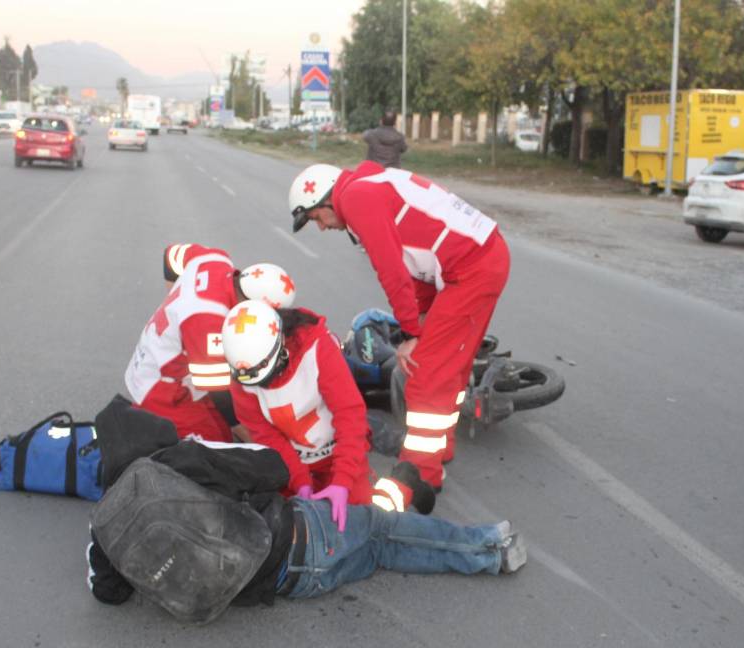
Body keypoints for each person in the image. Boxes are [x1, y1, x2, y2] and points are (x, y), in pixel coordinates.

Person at [86, 439, 526, 615]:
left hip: (289, 585)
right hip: (302, 535)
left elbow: (109, 592)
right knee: (382, 526)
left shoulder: (103, 527)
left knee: (377, 551)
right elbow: (272, 470)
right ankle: (489, 548)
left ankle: (487, 554)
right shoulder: (172, 461)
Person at [287, 163, 510, 492]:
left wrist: (409, 334)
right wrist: (420, 321)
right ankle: (439, 449)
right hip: (474, 261)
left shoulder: (357, 199)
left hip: (471, 269)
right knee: (449, 371)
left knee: (423, 377)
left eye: (316, 218)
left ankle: (421, 473)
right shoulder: (368, 185)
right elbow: (415, 266)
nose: (320, 228)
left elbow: (391, 271)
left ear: (325, 201)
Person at [221, 299, 434, 519]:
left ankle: (403, 485)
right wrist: (300, 482)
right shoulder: (243, 376)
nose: (262, 387)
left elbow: (349, 416)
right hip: (294, 463)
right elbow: (268, 438)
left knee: (367, 522)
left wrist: (342, 481)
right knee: (285, 525)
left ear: (281, 347)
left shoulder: (317, 349)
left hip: (338, 453)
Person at [124, 243, 296, 443]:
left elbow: (171, 255)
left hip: (165, 354)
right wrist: (255, 440)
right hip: (160, 386)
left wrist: (176, 304)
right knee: (217, 445)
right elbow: (220, 394)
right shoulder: (208, 322)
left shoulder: (215, 259)